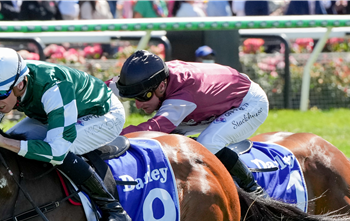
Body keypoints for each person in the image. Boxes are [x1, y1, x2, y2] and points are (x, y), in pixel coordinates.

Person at [0, 47, 132, 221]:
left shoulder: (53, 88)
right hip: (55, 112)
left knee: (59, 152)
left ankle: (113, 209)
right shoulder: (6, 81)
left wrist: (4, 141)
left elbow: (57, 150)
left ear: (20, 84)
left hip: (101, 114)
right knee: (10, 140)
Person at [112, 50, 268, 195]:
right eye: (133, 98)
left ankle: (254, 191)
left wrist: (112, 137)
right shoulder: (156, 77)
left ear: (161, 87)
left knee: (208, 143)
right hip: (217, 99)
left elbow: (156, 127)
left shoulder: (182, 97)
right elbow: (105, 89)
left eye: (142, 97)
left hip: (249, 103)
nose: (138, 105)